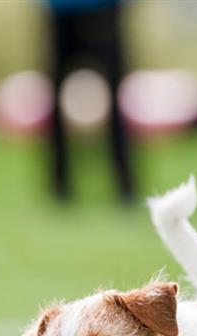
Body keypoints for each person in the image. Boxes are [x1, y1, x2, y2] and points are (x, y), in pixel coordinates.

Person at [44, 0, 135, 203]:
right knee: (56, 97)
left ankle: (125, 186)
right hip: (62, 8)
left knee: (116, 95)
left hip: (102, 6)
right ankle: (60, 187)